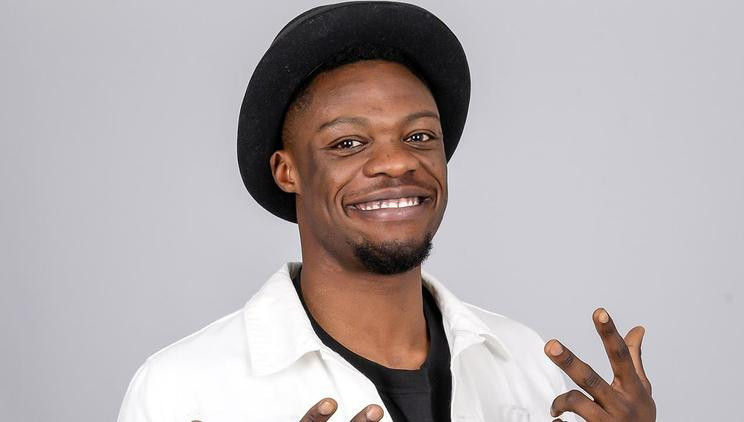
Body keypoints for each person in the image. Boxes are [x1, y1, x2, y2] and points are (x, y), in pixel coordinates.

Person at [117, 2, 657, 421]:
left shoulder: (527, 362)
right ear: (287, 171)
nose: (398, 162)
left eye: (419, 136)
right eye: (348, 143)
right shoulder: (181, 389)